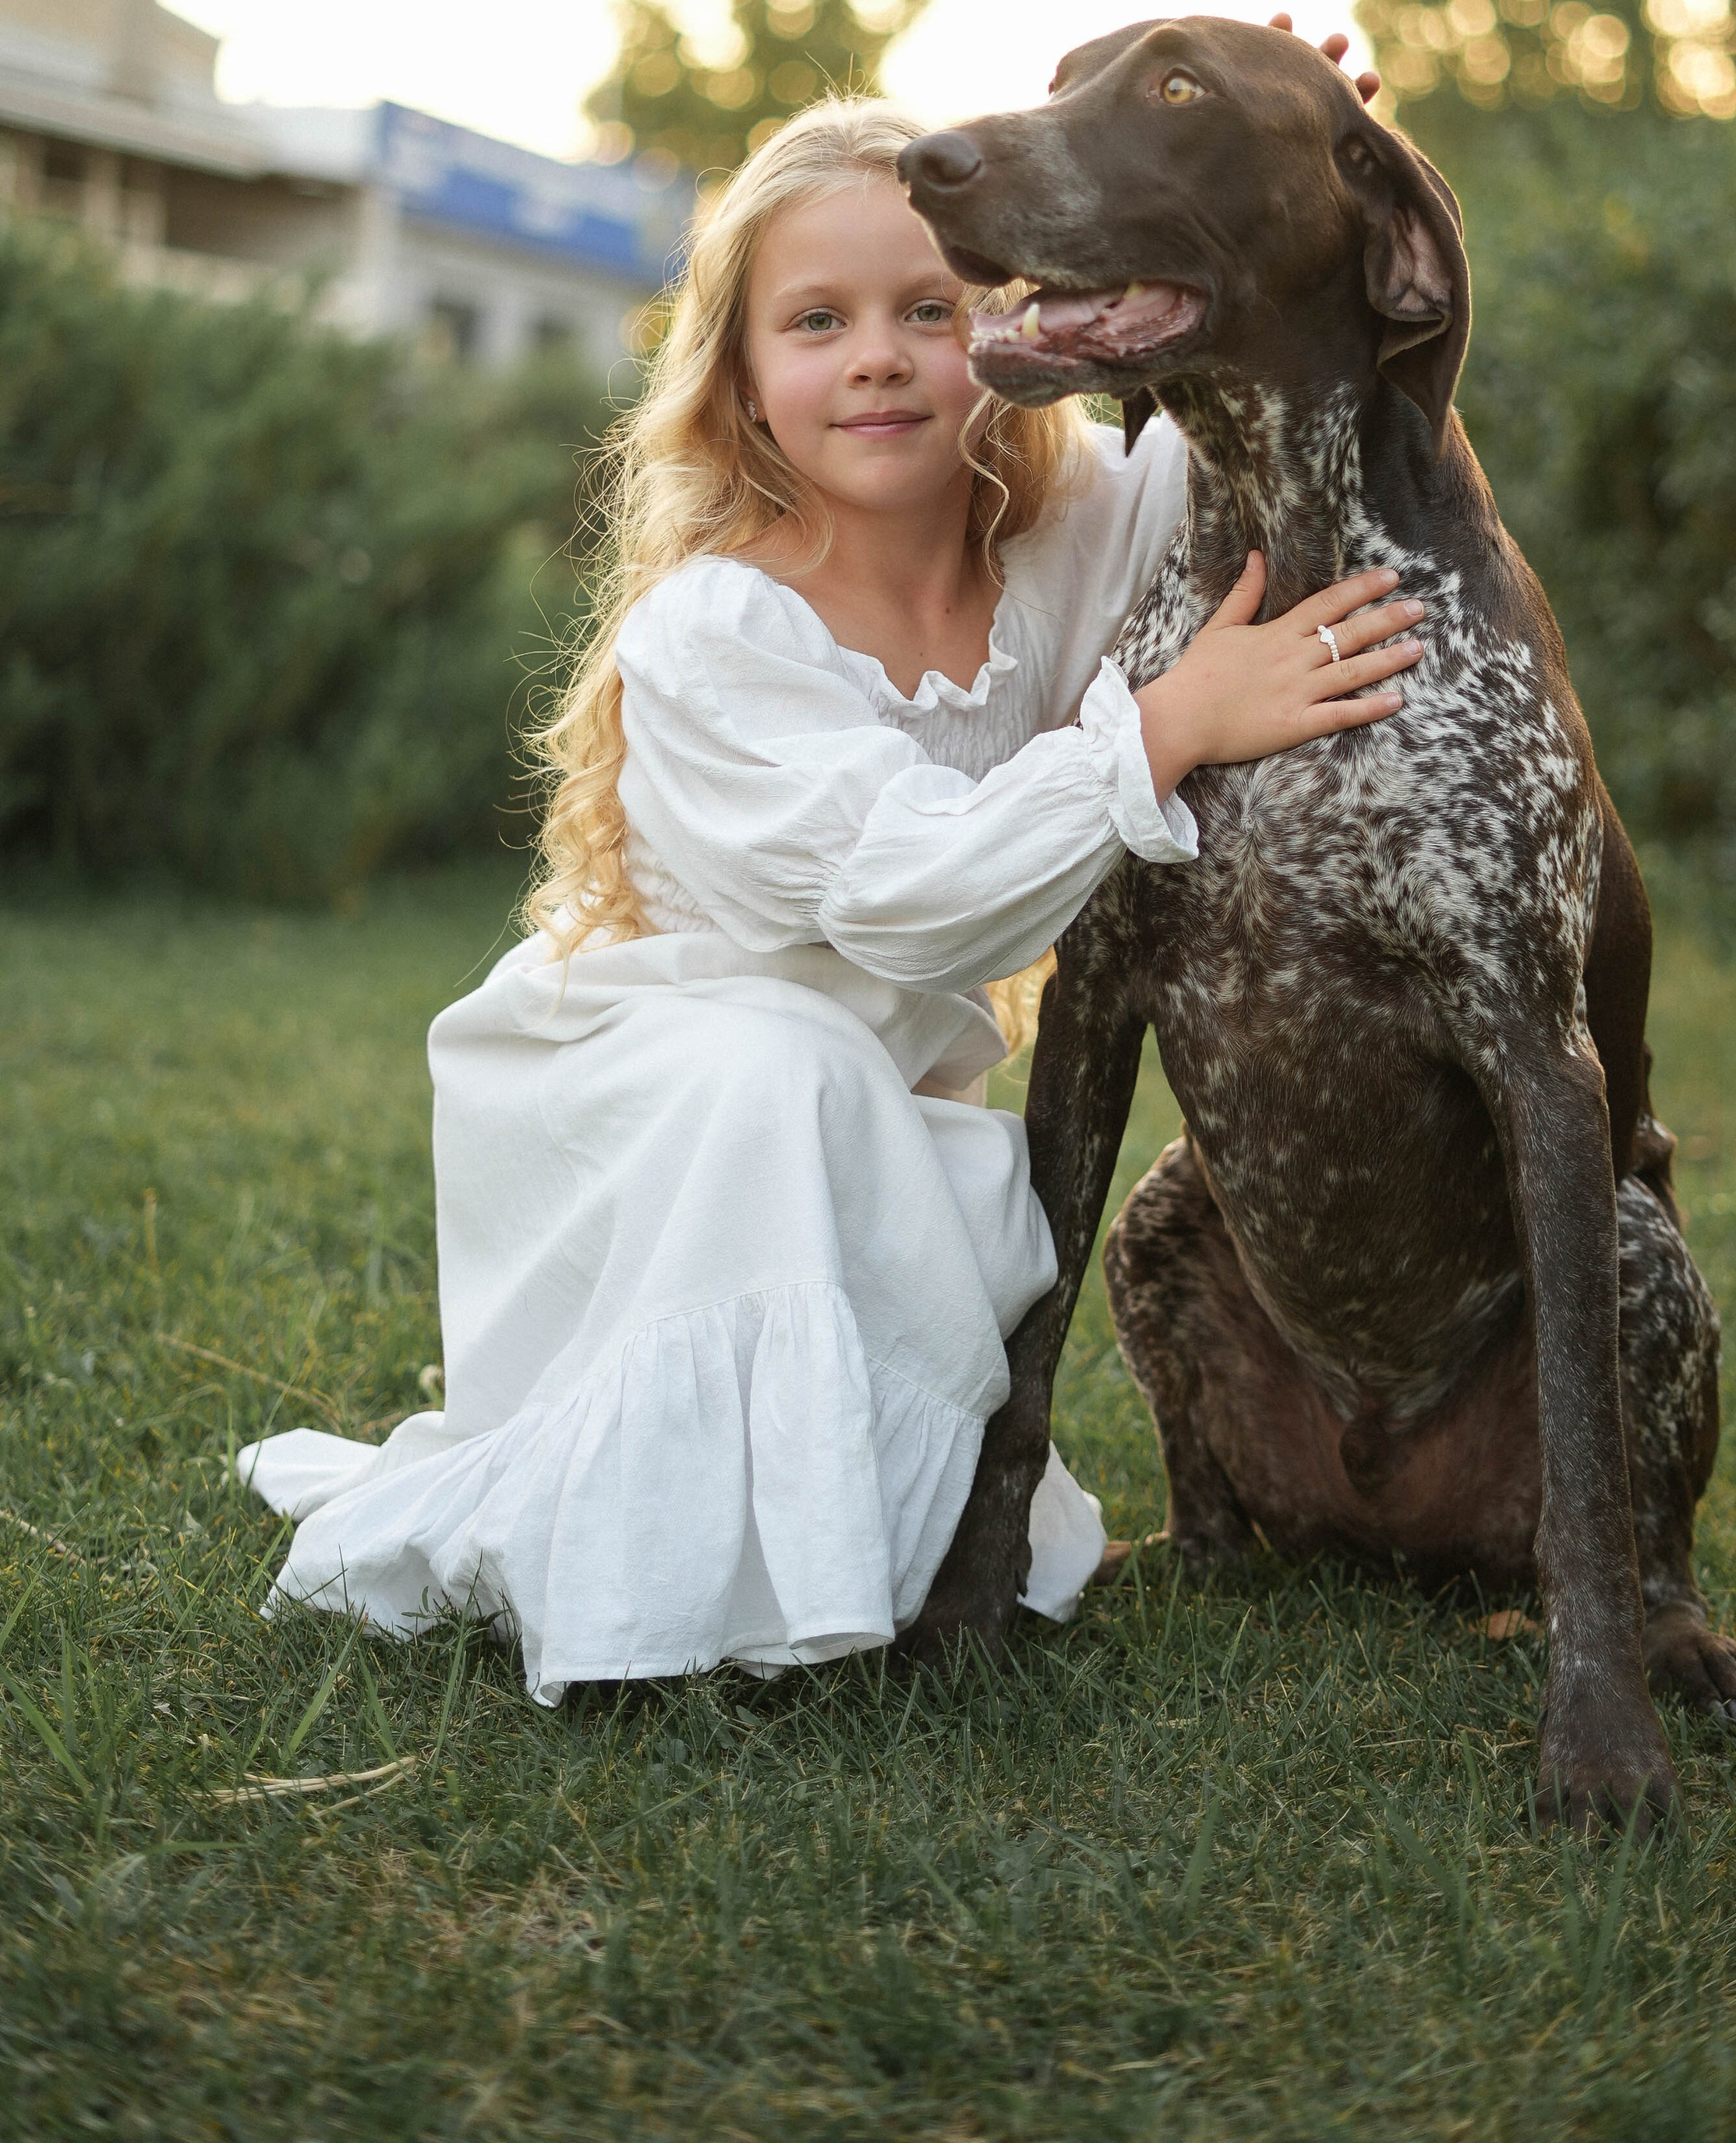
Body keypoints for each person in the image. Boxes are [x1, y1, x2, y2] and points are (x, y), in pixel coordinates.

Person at [239, 93, 1424, 1700]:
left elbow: (1226, 415)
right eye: (816, 321)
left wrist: (1296, 136)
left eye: (927, 309)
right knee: (781, 1072)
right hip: (656, 1095)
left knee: (863, 1116)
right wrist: (1165, 722)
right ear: (736, 381)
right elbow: (908, 904)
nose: (876, 356)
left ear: (1004, 334)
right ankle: (669, 1582)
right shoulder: (714, 634)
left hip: (868, 1105)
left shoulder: (1068, 532)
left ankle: (838, 1555)